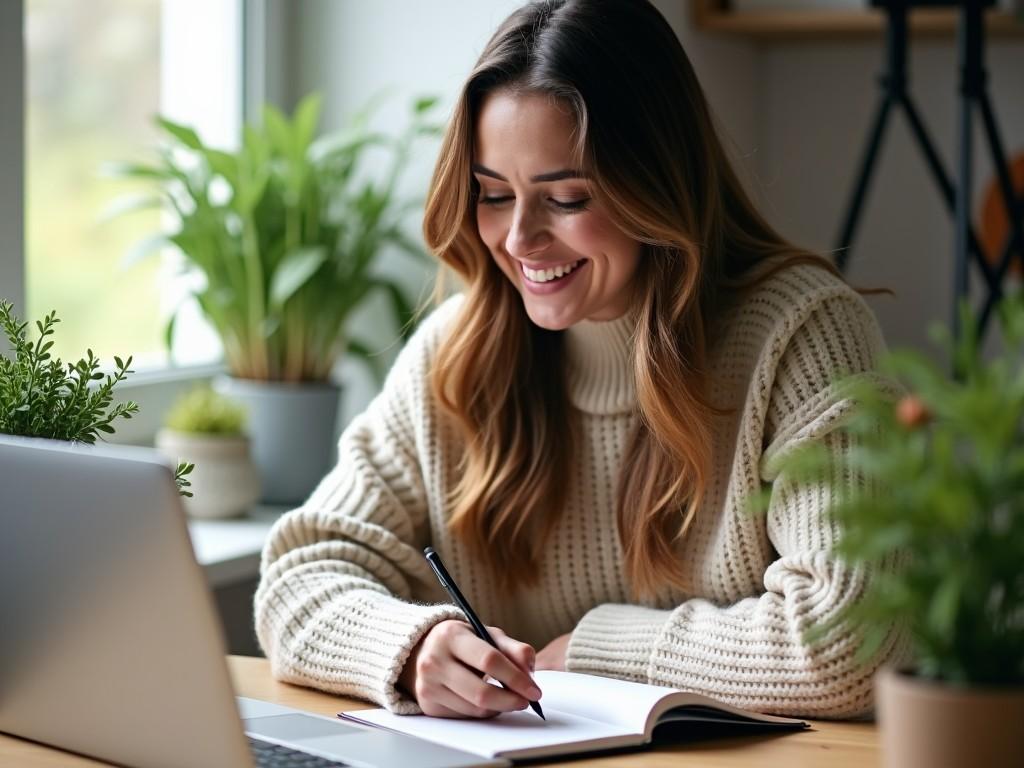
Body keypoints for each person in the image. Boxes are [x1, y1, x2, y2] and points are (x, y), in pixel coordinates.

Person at [255, 0, 903, 721]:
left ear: (655, 185)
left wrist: (590, 652)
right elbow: (297, 577)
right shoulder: (456, 352)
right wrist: (413, 648)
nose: (521, 238)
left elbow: (853, 636)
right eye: (494, 195)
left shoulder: (802, 337)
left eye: (566, 197)